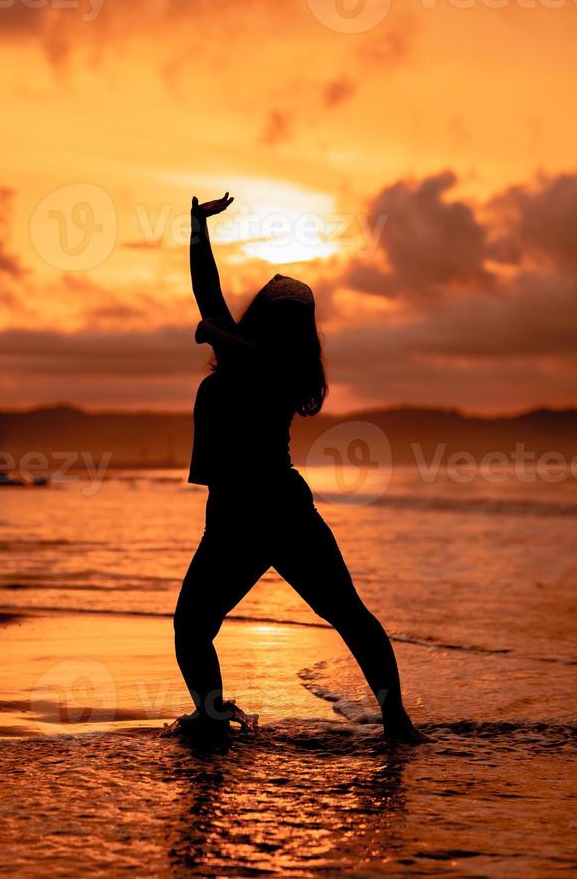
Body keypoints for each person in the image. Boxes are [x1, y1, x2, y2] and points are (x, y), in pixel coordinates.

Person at [172, 192, 426, 744]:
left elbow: (243, 351)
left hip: (278, 511)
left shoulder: (284, 369)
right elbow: (206, 290)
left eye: (295, 320)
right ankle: (211, 716)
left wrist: (215, 333)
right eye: (278, 315)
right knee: (192, 626)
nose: (286, 325)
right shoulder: (242, 349)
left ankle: (398, 720)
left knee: (350, 616)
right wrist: (197, 227)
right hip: (232, 516)